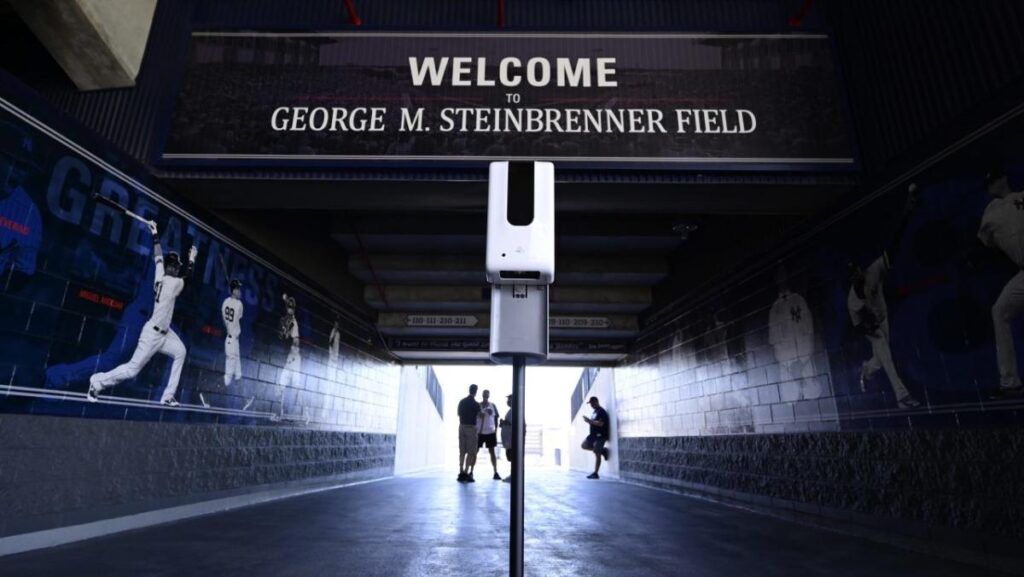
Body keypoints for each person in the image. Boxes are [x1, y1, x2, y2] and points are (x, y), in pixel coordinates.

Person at [88, 220, 197, 407]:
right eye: (176, 265)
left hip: (165, 332)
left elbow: (158, 255)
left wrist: (155, 233)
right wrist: (192, 257)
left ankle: (167, 396)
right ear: (174, 267)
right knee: (132, 370)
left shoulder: (160, 275)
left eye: (176, 266)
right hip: (152, 334)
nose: (177, 268)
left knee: (181, 352)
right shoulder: (173, 283)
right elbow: (188, 274)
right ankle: (97, 382)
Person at [847, 186, 921, 409]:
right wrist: (870, 329)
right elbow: (858, 327)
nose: (857, 276)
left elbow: (893, 247)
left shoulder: (873, 270)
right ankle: (902, 397)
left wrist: (905, 215)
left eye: (857, 271)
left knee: (879, 360)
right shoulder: (851, 301)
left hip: (884, 315)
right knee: (886, 356)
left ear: (860, 269)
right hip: (872, 327)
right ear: (850, 279)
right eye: (852, 275)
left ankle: (866, 369)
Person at [976, 163, 1024, 397]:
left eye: (995, 179)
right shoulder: (991, 210)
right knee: (1000, 311)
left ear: (1004, 177)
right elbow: (985, 241)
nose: (993, 184)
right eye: (989, 183)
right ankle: (1010, 381)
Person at [581, 396, 610, 479]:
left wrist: (589, 421)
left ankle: (596, 473)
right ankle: (603, 450)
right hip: (593, 435)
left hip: (600, 435)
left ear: (596, 402)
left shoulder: (601, 412)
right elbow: (594, 422)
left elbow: (601, 424)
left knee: (596, 452)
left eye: (592, 403)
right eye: (590, 404)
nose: (591, 405)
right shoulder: (595, 412)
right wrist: (589, 421)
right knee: (583, 445)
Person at [457, 384, 481, 483]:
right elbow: (479, 416)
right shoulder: (476, 404)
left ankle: (461, 471)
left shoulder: (462, 401)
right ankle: (466, 472)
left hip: (462, 426)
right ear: (476, 392)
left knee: (462, 451)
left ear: (469, 390)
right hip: (471, 428)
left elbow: (458, 414)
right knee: (470, 452)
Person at [476, 389, 501, 480]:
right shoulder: (478, 406)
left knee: (492, 452)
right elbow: (475, 417)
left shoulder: (493, 405)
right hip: (479, 432)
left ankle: (495, 472)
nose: (486, 395)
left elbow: (496, 418)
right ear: (482, 395)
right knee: (475, 452)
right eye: (484, 394)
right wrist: (479, 414)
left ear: (489, 395)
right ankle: (471, 472)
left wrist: (495, 431)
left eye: (487, 394)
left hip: (490, 432)